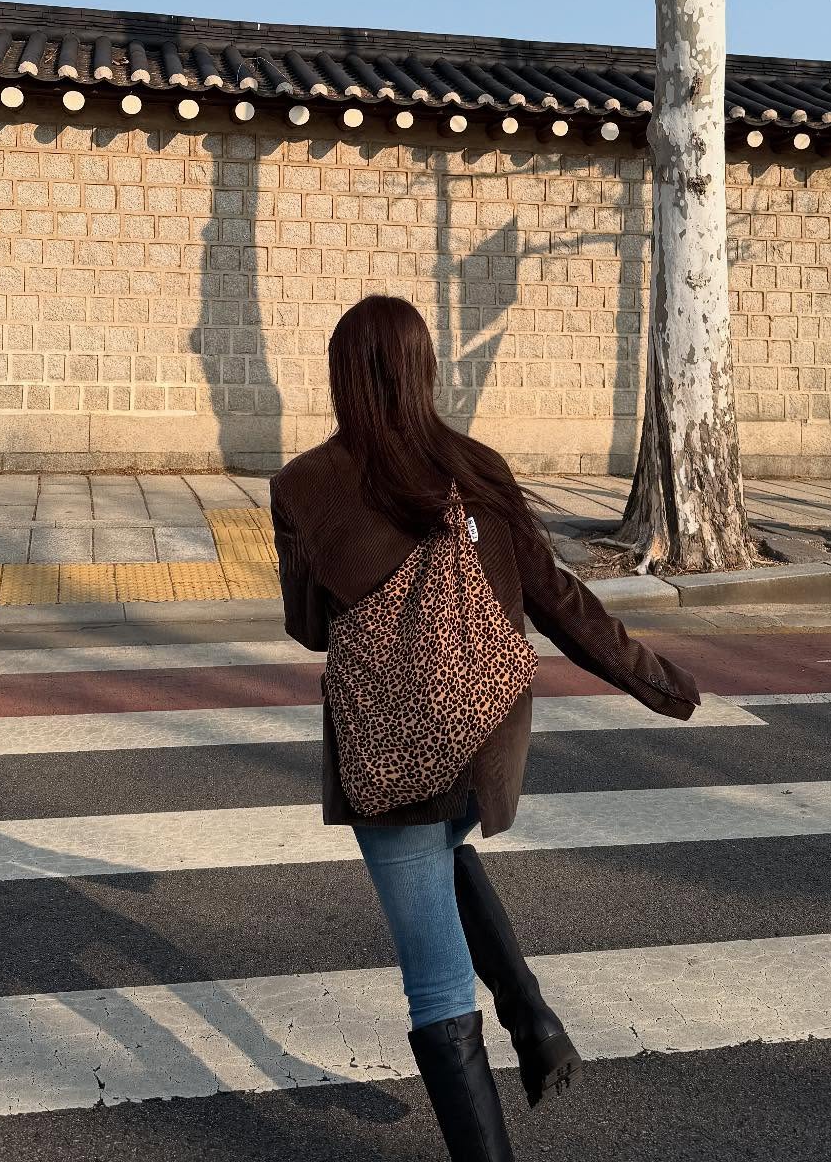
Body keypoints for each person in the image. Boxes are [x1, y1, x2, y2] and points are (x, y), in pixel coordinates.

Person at [270, 294, 703, 1162]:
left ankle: (519, 1034)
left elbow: (310, 629)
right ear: (425, 369)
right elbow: (556, 598)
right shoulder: (478, 466)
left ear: (340, 377)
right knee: (445, 849)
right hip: (485, 736)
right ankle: (530, 1014)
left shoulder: (302, 486)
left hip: (390, 750)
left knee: (435, 984)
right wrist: (653, 678)